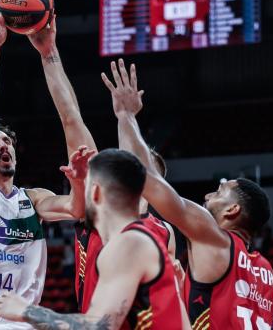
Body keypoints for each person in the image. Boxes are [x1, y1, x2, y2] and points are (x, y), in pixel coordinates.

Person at [0, 0, 95, 329]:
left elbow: (76, 209)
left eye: (9, 142)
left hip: (26, 323)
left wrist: (78, 182)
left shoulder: (31, 200)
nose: (4, 146)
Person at [101, 59, 273, 329]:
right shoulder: (266, 271)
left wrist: (126, 116)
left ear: (233, 210)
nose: (208, 195)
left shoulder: (215, 238)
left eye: (220, 191)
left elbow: (145, 178)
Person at [27, 16, 180, 312]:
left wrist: (128, 119)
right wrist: (49, 54)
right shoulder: (97, 209)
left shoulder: (164, 232)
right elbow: (70, 118)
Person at [0, 149, 190, 329]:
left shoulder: (131, 244)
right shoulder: (132, 239)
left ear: (95, 192)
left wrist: (26, 311)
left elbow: (97, 326)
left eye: (86, 184)